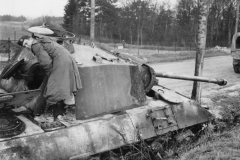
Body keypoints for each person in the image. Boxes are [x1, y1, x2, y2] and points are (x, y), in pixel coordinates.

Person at [17, 35, 82, 121]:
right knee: (67, 87)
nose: (27, 46)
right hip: (68, 58)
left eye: (26, 43)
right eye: (24, 46)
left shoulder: (35, 45)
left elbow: (46, 62)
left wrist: (50, 75)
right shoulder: (42, 40)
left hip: (61, 62)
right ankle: (70, 115)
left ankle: (48, 116)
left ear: (30, 39)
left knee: (52, 89)